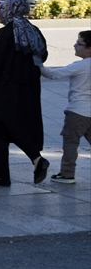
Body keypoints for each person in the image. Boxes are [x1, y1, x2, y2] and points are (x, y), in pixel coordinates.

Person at [0, 0, 49, 187]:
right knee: (15, 126)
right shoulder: (32, 30)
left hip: (3, 90)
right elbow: (43, 55)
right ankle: (20, 166)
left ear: (8, 11)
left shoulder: (5, 35)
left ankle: (6, 173)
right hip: (28, 90)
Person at [40, 30, 91, 184]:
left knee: (70, 142)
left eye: (79, 43)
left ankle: (67, 173)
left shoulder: (81, 66)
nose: (74, 46)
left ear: (89, 48)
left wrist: (38, 64)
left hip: (77, 111)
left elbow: (53, 74)